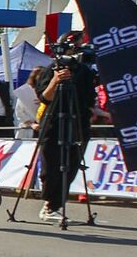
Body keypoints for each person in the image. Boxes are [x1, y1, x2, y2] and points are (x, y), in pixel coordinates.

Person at [34, 52, 97, 222]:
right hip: (54, 121)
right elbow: (44, 97)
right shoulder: (51, 70)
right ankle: (49, 204)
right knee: (51, 164)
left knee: (72, 164)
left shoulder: (84, 72)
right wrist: (56, 80)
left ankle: (56, 205)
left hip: (78, 122)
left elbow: (90, 100)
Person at [12, 67, 43, 139]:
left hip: (44, 127)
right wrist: (31, 124)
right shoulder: (25, 91)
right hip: (29, 129)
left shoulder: (49, 90)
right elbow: (19, 112)